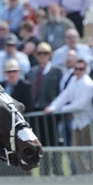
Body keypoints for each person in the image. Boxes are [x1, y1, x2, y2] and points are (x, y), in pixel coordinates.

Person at [44, 59, 93, 174]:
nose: (78, 71)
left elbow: (80, 105)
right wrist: (53, 107)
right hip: (77, 122)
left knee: (91, 152)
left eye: (81, 69)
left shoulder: (88, 84)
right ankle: (86, 174)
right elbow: (65, 95)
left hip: (88, 121)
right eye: (76, 68)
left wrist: (59, 110)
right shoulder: (73, 80)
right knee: (74, 151)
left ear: (86, 69)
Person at [26, 41, 64, 175]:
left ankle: (58, 170)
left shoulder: (56, 72)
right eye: (40, 53)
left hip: (50, 113)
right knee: (40, 143)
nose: (42, 56)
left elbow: (60, 92)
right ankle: (45, 171)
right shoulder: (32, 72)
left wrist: (54, 106)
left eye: (45, 53)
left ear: (50, 55)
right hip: (36, 113)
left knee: (54, 142)